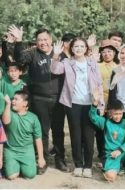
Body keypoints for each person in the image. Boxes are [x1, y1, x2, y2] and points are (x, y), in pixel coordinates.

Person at [9, 25, 67, 172]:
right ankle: (43, 160)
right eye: (40, 40)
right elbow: (19, 59)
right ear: (36, 41)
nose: (43, 42)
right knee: (42, 132)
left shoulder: (60, 53)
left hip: (58, 99)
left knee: (58, 131)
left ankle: (60, 159)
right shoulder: (33, 53)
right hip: (39, 99)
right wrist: (18, 41)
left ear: (51, 39)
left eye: (45, 39)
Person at [51, 37, 104, 178]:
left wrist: (101, 104)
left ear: (86, 48)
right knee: (75, 135)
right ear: (71, 49)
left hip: (90, 104)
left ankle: (88, 166)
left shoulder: (92, 62)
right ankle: (78, 165)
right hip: (72, 104)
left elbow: (99, 84)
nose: (79, 49)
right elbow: (55, 70)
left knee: (88, 136)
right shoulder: (67, 62)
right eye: (76, 46)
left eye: (82, 46)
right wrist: (55, 55)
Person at [89, 92, 125, 182]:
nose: (118, 116)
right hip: (112, 154)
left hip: (122, 152)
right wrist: (94, 104)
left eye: (120, 113)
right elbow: (93, 116)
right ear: (110, 112)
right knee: (110, 177)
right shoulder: (105, 122)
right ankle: (113, 165)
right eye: (115, 114)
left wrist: (120, 150)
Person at [2, 91, 46, 179]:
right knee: (12, 176)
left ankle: (21, 166)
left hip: (26, 150)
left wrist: (41, 158)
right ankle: (12, 166)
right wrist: (7, 104)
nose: (13, 101)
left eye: (16, 99)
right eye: (13, 99)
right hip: (11, 150)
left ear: (25, 103)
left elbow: (38, 138)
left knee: (30, 175)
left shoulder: (33, 118)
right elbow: (5, 121)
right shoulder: (10, 113)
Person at [49, 33, 75, 173]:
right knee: (51, 129)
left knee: (61, 130)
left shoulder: (73, 58)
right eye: (72, 43)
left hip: (67, 98)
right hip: (52, 97)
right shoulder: (56, 55)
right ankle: (47, 158)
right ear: (65, 43)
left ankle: (60, 157)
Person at [96, 39, 119, 167]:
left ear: (115, 53)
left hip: (115, 104)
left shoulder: (119, 67)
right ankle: (102, 156)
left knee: (113, 131)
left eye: (110, 51)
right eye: (104, 52)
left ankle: (114, 156)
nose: (107, 54)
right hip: (100, 103)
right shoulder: (97, 66)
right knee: (100, 131)